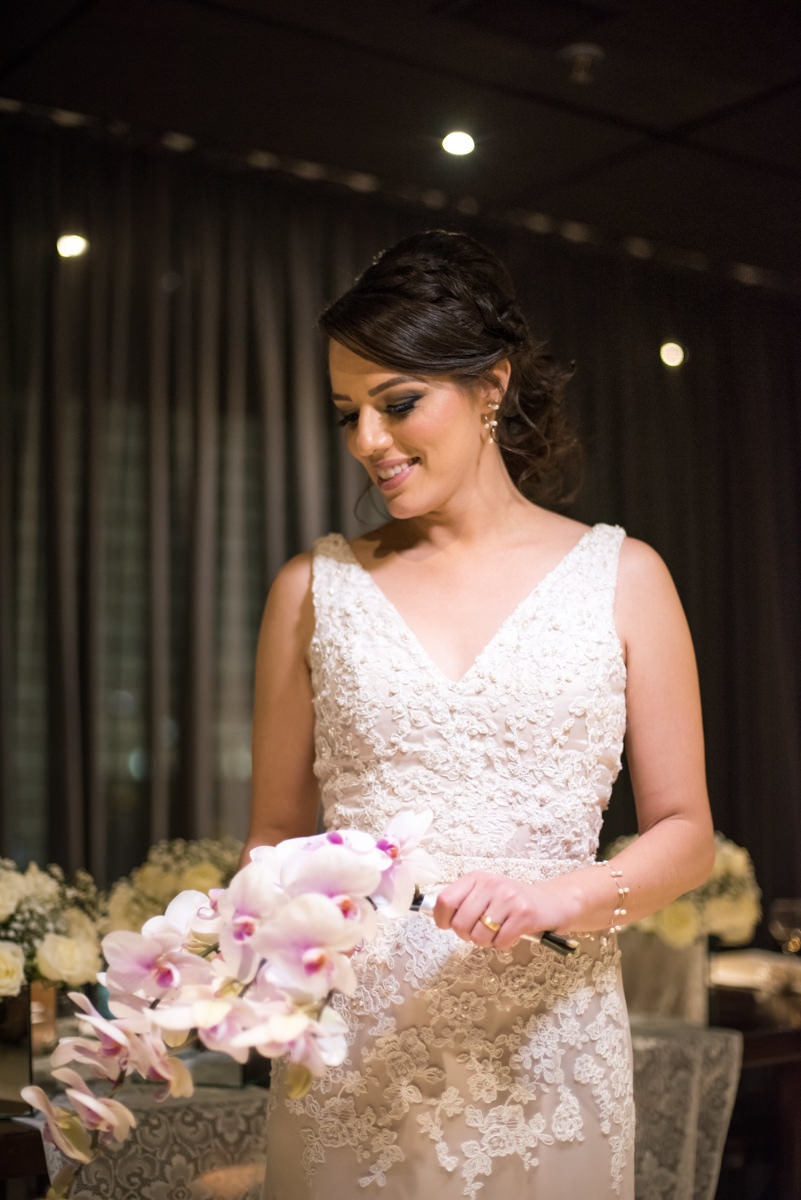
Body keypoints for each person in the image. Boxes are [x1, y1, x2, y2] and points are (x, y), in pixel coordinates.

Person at [244, 230, 715, 1199]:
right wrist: (262, 959)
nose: (369, 442)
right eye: (348, 414)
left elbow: (687, 835)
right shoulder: (311, 589)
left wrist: (561, 900)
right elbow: (275, 840)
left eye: (398, 403)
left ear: (491, 385)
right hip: (354, 1063)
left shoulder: (624, 580)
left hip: (550, 1053)